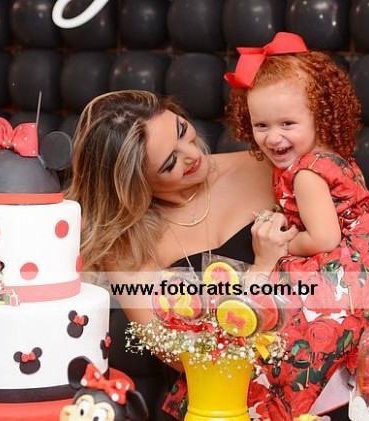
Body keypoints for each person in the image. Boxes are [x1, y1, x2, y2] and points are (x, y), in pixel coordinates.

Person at [65, 90, 299, 420]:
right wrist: (262, 269)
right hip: (222, 404)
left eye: (182, 131)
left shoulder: (265, 165)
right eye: (170, 162)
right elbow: (177, 354)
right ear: (136, 183)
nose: (192, 154)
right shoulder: (126, 244)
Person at [222, 32, 369, 419]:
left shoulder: (306, 175)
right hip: (362, 271)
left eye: (287, 123)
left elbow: (324, 238)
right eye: (261, 125)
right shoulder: (331, 157)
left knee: (279, 343)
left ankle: (280, 404)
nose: (273, 137)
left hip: (335, 273)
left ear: (319, 116)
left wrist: (282, 245)